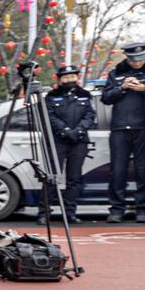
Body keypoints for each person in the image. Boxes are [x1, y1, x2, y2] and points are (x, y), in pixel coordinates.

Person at [44, 64, 94, 223]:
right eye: (66, 77)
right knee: (52, 177)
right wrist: (65, 130)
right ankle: (43, 212)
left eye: (73, 77)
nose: (70, 80)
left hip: (78, 141)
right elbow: (49, 116)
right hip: (58, 140)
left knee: (74, 178)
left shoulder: (85, 95)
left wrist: (78, 131)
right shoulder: (51, 96)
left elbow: (90, 116)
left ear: (77, 78)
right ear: (60, 80)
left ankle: (70, 212)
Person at [101, 42, 145, 222]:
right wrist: (122, 87)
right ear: (127, 57)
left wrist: (143, 89)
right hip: (120, 128)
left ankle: (142, 209)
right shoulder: (116, 73)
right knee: (117, 171)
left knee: (143, 171)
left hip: (143, 128)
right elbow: (105, 98)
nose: (137, 63)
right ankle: (117, 210)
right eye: (133, 60)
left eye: (140, 59)